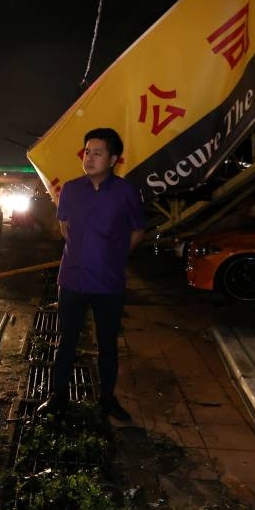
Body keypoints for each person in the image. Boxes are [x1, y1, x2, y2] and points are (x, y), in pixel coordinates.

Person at [43, 127, 147, 421]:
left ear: (113, 159)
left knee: (107, 345)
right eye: (87, 152)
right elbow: (65, 228)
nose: (89, 158)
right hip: (73, 280)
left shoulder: (126, 192)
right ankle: (57, 396)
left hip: (109, 282)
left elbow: (138, 230)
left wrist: (114, 255)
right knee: (66, 341)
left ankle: (107, 398)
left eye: (97, 153)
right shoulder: (72, 189)